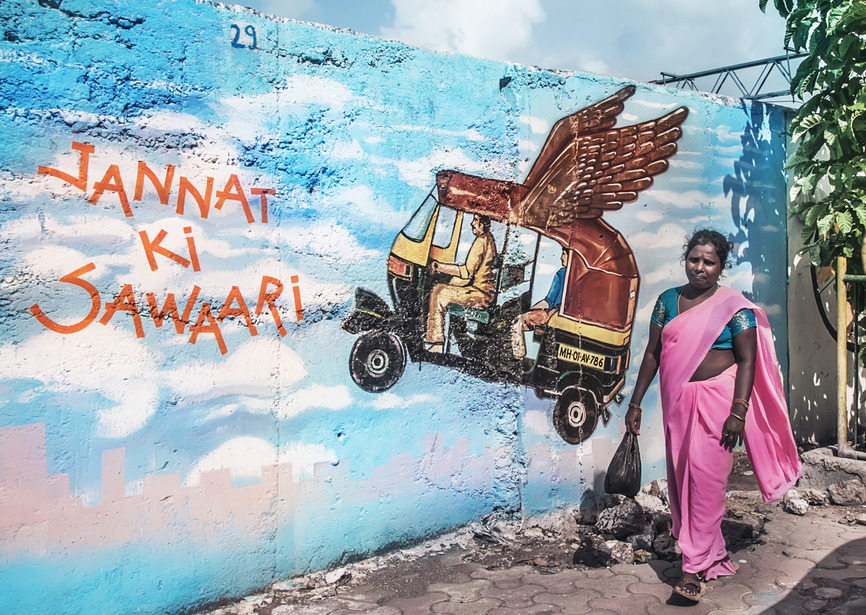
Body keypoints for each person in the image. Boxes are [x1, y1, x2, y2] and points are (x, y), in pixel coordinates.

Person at [624, 229, 801, 603]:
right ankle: (710, 553)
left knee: (705, 482)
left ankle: (690, 573)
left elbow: (748, 359)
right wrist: (635, 402)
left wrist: (739, 411)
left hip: (719, 402)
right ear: (685, 259)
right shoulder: (667, 302)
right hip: (677, 402)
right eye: (694, 259)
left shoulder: (733, 306)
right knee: (682, 480)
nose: (700, 268)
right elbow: (653, 356)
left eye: (709, 262)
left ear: (722, 266)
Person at [424, 214, 496, 353]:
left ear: (482, 224)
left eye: (476, 220)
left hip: (480, 295)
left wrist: (441, 267)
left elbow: (466, 271)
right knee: (441, 288)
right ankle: (434, 334)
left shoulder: (482, 241)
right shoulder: (488, 239)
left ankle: (436, 342)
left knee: (440, 293)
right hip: (482, 291)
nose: (472, 224)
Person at [511, 247, 568, 359]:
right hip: (557, 315)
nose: (561, 257)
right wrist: (532, 309)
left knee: (518, 322)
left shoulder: (562, 274)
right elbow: (549, 301)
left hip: (553, 315)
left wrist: (530, 311)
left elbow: (549, 301)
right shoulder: (570, 275)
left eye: (564, 254)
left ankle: (517, 357)